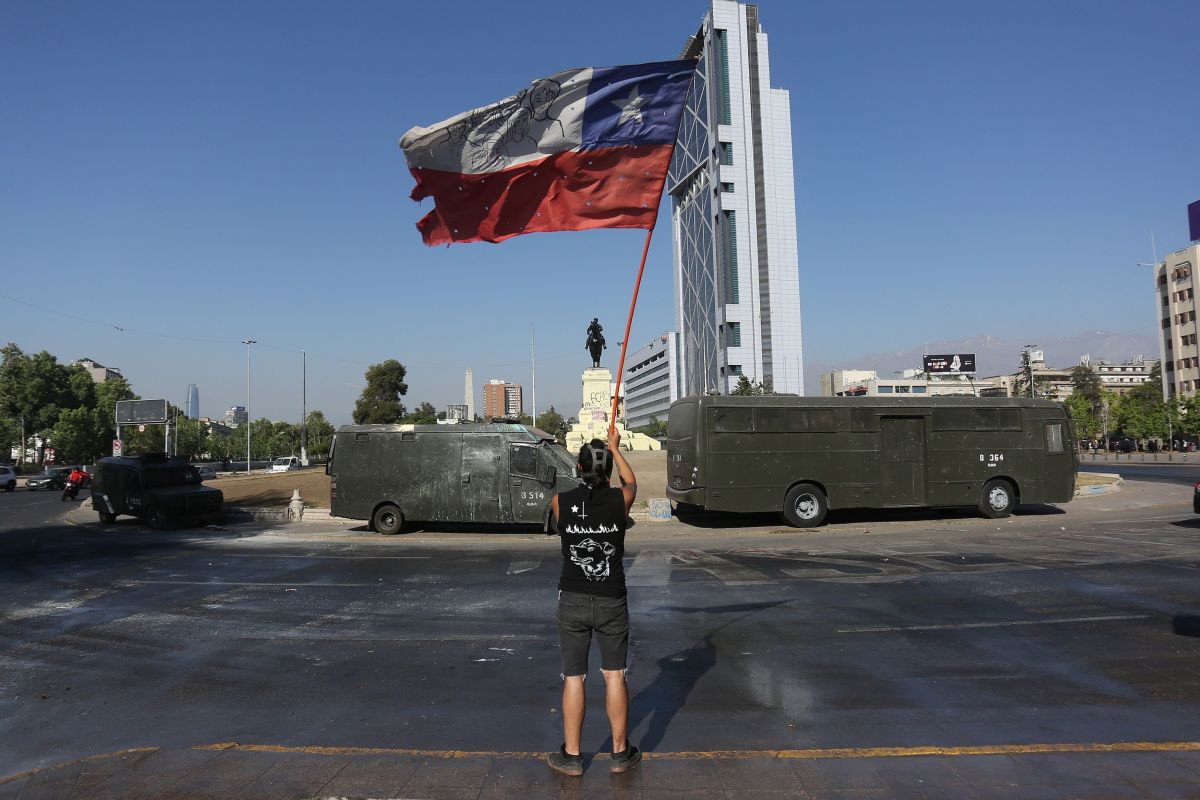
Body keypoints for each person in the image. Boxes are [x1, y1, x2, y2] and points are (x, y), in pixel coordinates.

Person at [547, 428, 639, 777]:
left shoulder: (560, 502)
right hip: (611, 598)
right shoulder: (620, 500)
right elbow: (632, 483)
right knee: (614, 674)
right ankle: (619, 752)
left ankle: (572, 756)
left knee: (574, 677)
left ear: (579, 468)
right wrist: (616, 450)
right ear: (604, 470)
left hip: (572, 599)